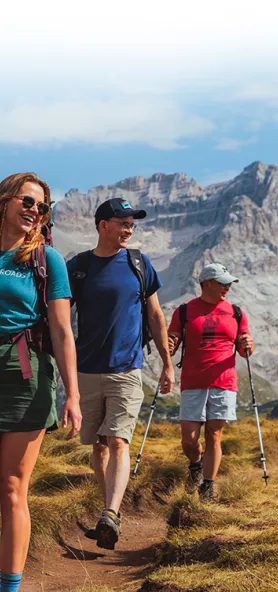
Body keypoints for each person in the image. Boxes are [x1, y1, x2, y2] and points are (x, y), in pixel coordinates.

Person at [67, 198, 174, 550]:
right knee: (97, 445)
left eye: (132, 223)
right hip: (85, 370)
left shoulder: (139, 264)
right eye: (123, 222)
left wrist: (167, 364)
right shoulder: (78, 267)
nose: (129, 228)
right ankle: (107, 510)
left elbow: (156, 317)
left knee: (118, 440)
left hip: (127, 370)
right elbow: (58, 316)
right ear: (103, 226)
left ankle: (111, 512)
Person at [0, 173, 81, 592]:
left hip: (25, 378)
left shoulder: (46, 260)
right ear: (6, 201)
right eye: (28, 200)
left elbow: (63, 331)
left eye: (42, 206)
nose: (35, 209)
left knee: (12, 487)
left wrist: (73, 394)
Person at [167, 263, 254, 501]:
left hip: (224, 382)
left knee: (214, 434)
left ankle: (208, 485)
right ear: (207, 284)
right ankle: (195, 464)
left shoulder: (236, 313)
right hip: (193, 382)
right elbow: (171, 343)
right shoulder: (184, 311)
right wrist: (170, 344)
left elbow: (244, 351)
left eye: (229, 284)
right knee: (189, 440)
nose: (227, 287)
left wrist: (248, 347)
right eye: (222, 283)